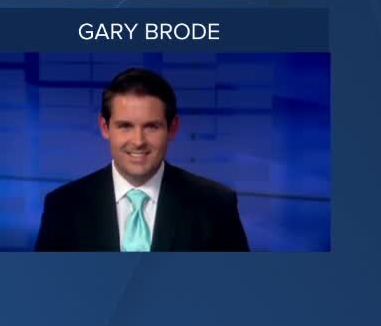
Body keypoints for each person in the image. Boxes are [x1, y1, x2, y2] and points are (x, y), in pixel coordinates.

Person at [34, 67, 250, 251]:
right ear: (104, 127)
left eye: (151, 126)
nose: (138, 141)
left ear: (172, 128)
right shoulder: (62, 207)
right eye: (125, 126)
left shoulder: (216, 205)